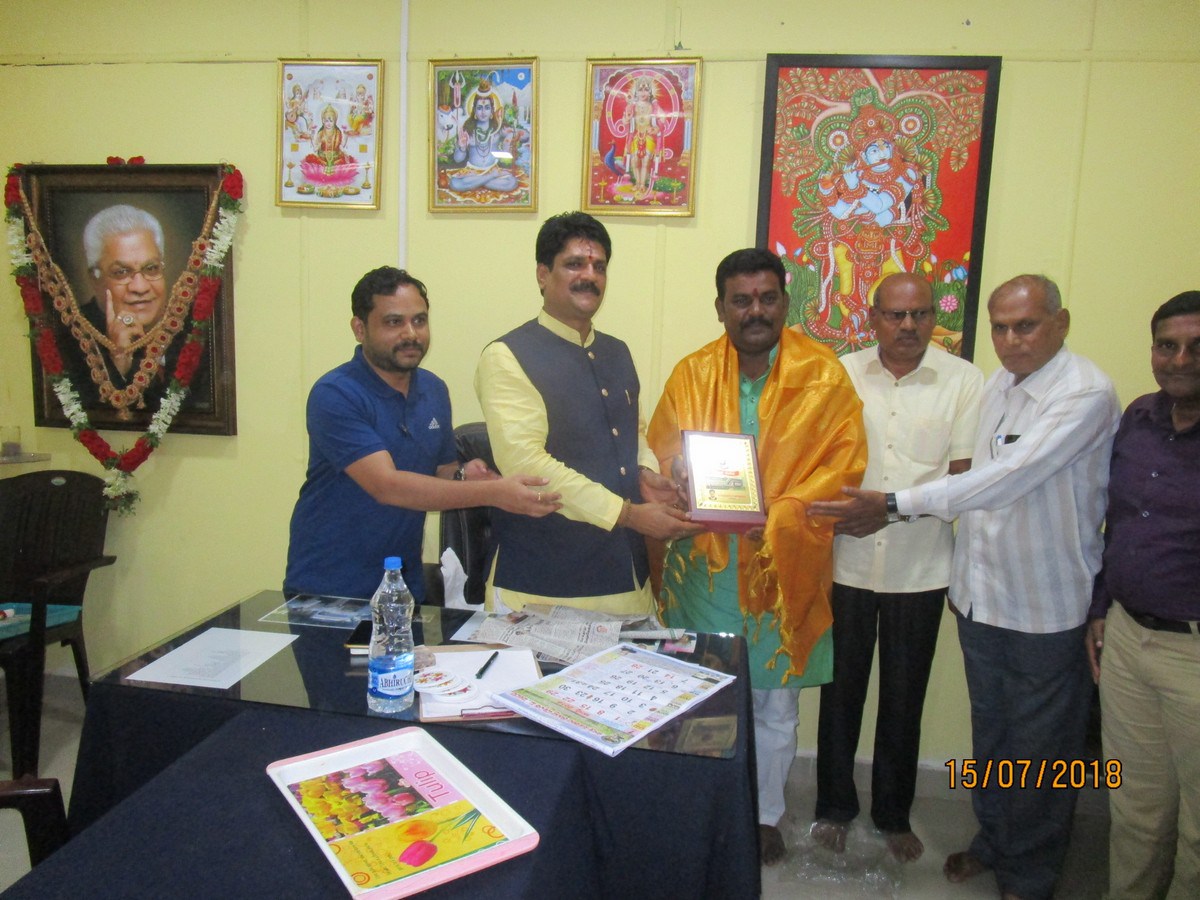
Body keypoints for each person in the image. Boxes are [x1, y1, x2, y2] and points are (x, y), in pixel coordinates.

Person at [811, 274, 1122, 899]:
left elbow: (999, 477)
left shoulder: (1076, 392)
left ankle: (1027, 871)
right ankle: (993, 840)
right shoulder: (1002, 384)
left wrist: (892, 503)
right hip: (978, 594)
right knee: (992, 736)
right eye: (1001, 327)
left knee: (1040, 749)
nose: (1011, 339)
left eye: (1025, 326)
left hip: (1038, 600)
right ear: (871, 318)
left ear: (1060, 324)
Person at [646, 247, 867, 865]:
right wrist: (682, 475)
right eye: (741, 300)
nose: (755, 311)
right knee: (698, 692)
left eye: (768, 298)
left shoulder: (824, 376)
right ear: (720, 308)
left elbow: (844, 467)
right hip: (707, 569)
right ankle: (701, 805)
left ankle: (766, 815)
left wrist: (780, 515)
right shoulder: (692, 373)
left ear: (785, 303)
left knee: (775, 705)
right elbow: (667, 448)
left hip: (782, 567)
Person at [812, 273, 983, 862]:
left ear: (934, 317)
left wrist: (887, 509)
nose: (908, 325)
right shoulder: (841, 372)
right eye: (895, 314)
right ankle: (834, 807)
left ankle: (892, 814)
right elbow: (818, 457)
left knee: (905, 698)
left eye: (920, 314)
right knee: (840, 693)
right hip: (846, 562)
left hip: (921, 569)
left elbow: (962, 480)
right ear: (872, 317)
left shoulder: (963, 381)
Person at [285, 266, 560, 603]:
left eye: (419, 320)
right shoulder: (336, 394)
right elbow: (387, 486)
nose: (410, 333)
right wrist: (494, 493)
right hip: (328, 588)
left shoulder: (433, 389)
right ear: (359, 328)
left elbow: (441, 469)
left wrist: (464, 474)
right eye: (393, 322)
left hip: (402, 585)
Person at [474, 211, 701, 616]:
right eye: (574, 264)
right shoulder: (507, 356)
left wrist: (645, 474)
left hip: (625, 578)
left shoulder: (617, 351)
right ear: (543, 274)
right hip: (541, 585)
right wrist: (630, 515)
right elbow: (528, 465)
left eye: (599, 266)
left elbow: (634, 434)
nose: (589, 276)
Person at [1087, 290, 1200, 900]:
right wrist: (1102, 606)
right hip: (1128, 639)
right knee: (1135, 809)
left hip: (1193, 654)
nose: (1180, 360)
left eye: (1197, 347)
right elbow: (1121, 523)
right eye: (1167, 345)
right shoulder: (1138, 418)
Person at [449, 81, 525, 194]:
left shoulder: (498, 127)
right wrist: (462, 147)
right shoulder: (468, 129)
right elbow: (458, 159)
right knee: (454, 183)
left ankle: (477, 183)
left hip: (492, 169)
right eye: (479, 108)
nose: (483, 112)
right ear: (474, 110)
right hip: (473, 172)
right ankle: (487, 179)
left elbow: (523, 134)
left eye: (487, 107)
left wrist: (510, 136)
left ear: (492, 111)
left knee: (512, 182)